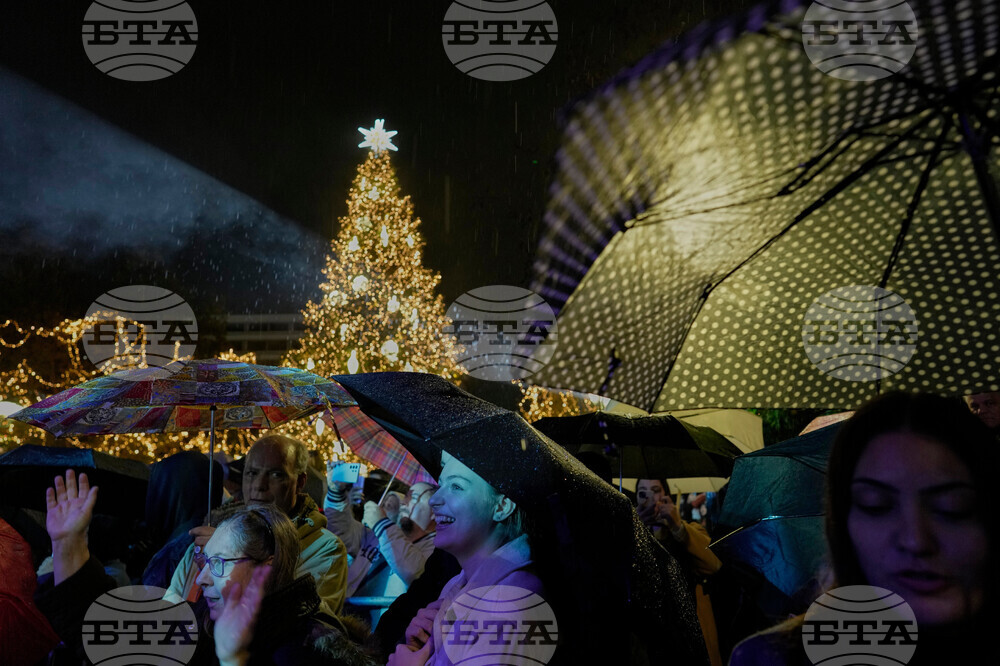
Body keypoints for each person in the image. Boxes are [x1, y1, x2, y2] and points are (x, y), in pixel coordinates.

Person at [730, 392, 998, 664]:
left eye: (951, 507)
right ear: (842, 524)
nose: (915, 539)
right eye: (876, 506)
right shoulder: (772, 658)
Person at [34, 470, 376, 666]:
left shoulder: (306, 651)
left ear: (265, 568)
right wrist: (69, 545)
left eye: (219, 563)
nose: (202, 577)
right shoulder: (210, 625)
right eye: (204, 561)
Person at [163, 434, 349, 615]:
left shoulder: (324, 548)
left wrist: (234, 554)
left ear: (300, 482)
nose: (259, 485)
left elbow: (305, 624)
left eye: (276, 474)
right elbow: (170, 609)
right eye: (252, 473)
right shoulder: (209, 538)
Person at [387, 451, 544, 665]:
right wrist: (420, 646)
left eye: (456, 487)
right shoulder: (458, 584)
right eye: (441, 485)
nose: (434, 499)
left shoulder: (512, 601)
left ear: (501, 507)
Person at [636, 478, 724, 666]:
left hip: (691, 637)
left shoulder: (690, 530)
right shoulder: (634, 534)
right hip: (656, 640)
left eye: (655, 490)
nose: (649, 498)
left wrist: (677, 526)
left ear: (666, 496)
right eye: (642, 493)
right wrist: (635, 530)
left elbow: (714, 564)